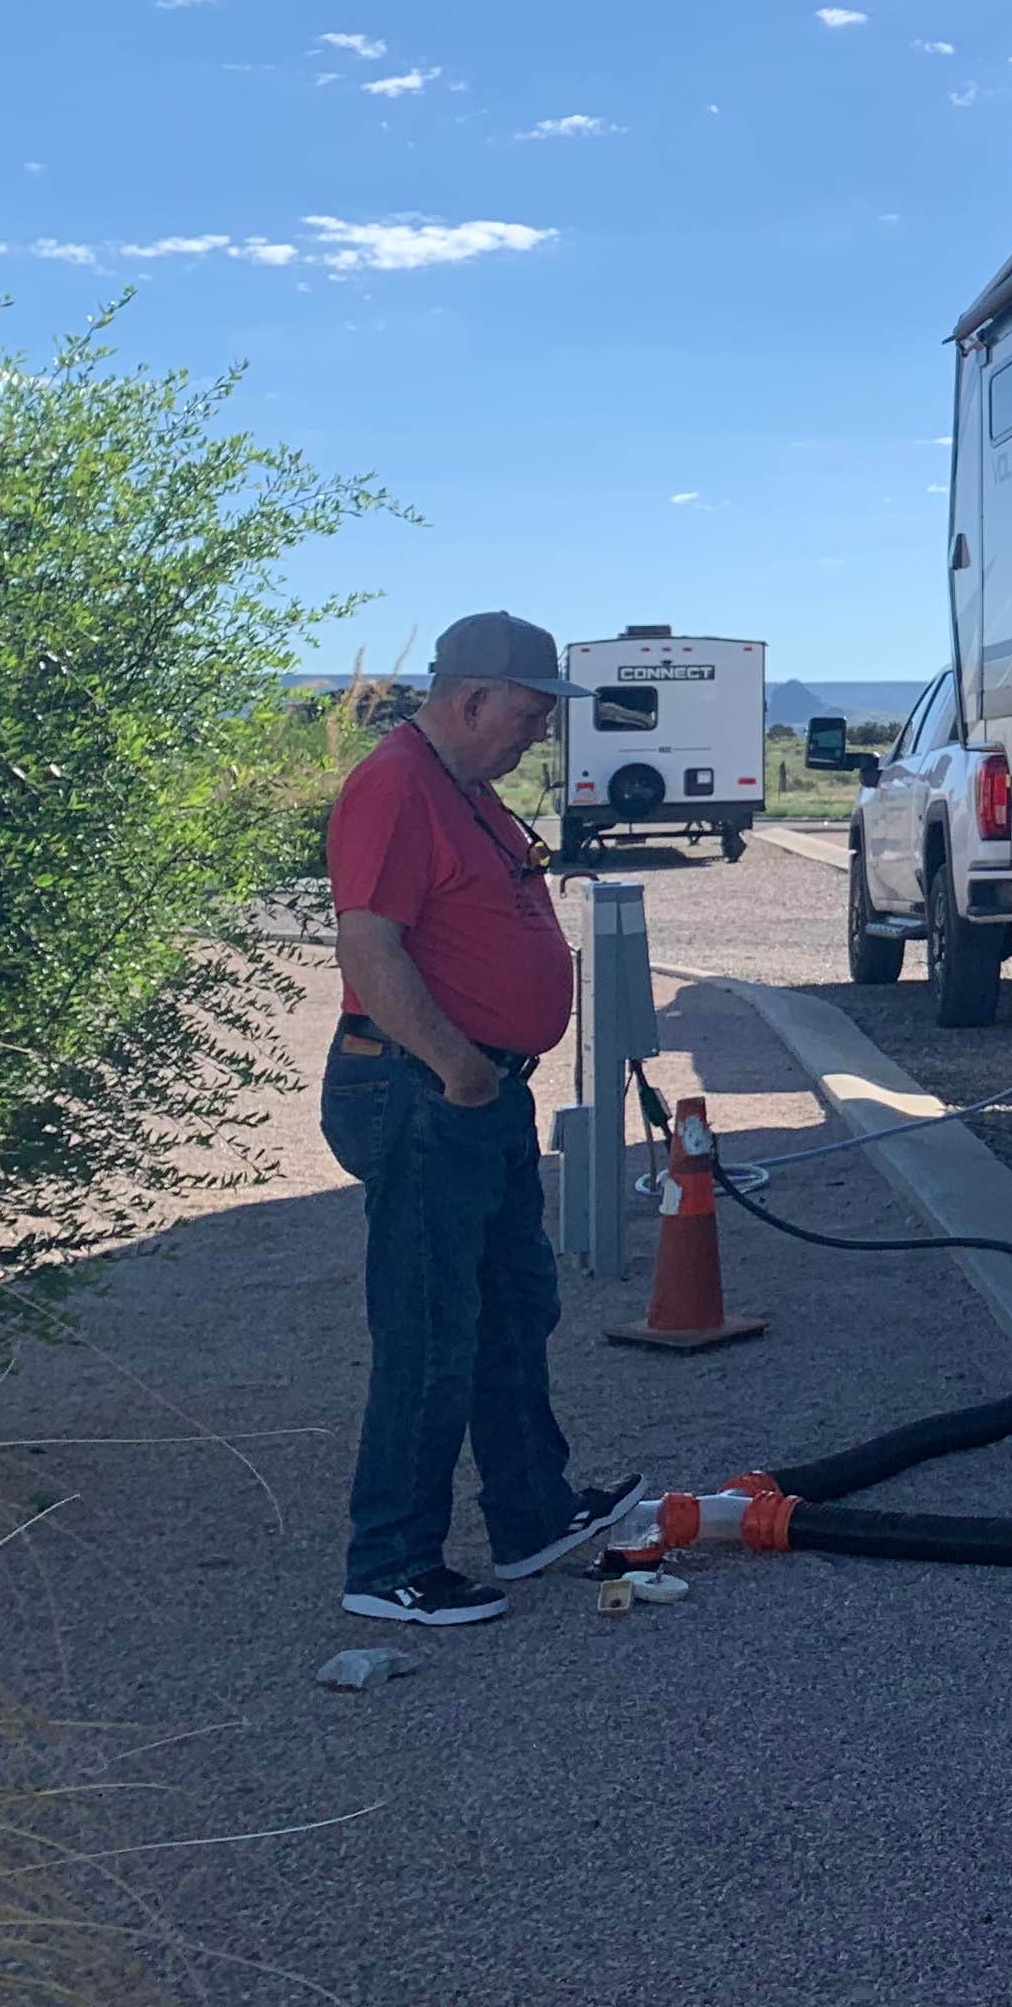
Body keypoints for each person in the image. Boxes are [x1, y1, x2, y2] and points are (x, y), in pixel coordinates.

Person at [321, 611, 645, 1623]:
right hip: (427, 1089)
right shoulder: (395, 786)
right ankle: (391, 1566)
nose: (539, 733)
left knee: (512, 1308)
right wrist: (460, 1068)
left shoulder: (465, 790)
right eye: (531, 712)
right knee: (429, 1330)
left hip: (478, 1088)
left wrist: (485, 1074)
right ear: (470, 699)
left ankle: (531, 1513)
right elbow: (370, 951)